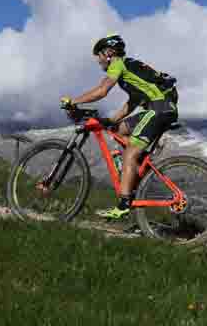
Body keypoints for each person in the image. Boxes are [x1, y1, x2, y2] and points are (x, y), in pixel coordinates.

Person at [60, 34, 178, 220]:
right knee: (117, 130)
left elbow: (102, 90)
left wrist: (74, 102)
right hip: (161, 108)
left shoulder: (118, 64)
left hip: (159, 109)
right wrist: (112, 120)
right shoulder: (131, 72)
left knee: (130, 152)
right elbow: (131, 104)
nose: (98, 61)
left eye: (99, 56)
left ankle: (123, 204)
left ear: (108, 53)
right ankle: (136, 169)